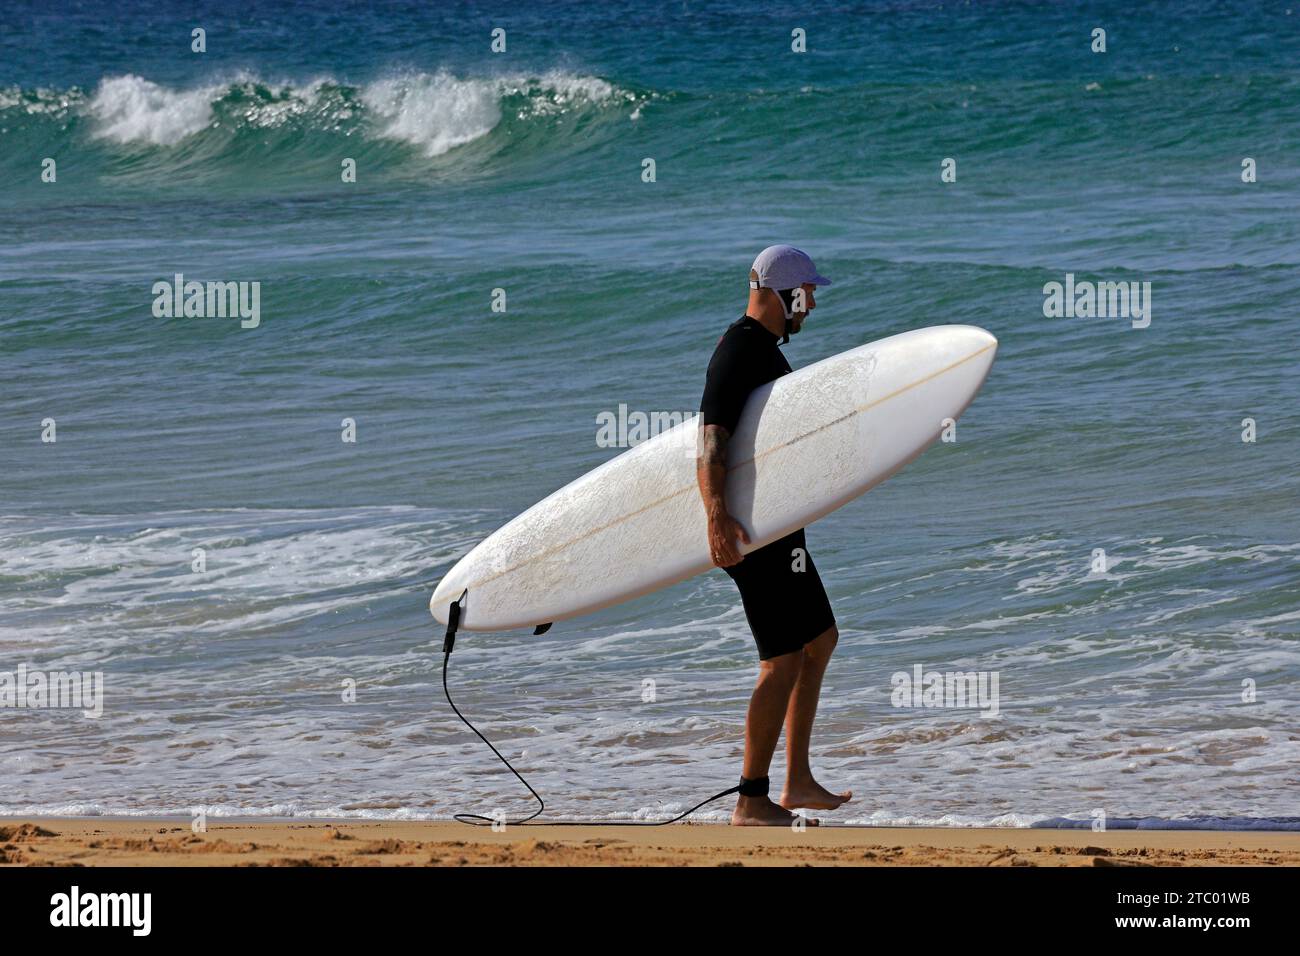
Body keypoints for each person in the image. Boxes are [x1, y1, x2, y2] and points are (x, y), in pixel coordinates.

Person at [696, 245, 852, 826]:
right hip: (751, 531)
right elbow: (710, 437)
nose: (809, 308)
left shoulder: (762, 351)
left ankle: (797, 780)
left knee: (821, 639)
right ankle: (751, 798)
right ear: (783, 295)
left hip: (777, 529)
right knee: (781, 660)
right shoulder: (739, 350)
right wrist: (715, 514)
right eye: (805, 295)